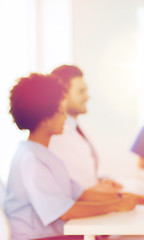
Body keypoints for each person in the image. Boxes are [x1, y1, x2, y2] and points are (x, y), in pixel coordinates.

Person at [4, 73, 143, 240]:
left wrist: (123, 197)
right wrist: (117, 205)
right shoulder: (31, 159)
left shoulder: (44, 155)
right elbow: (63, 212)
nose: (64, 118)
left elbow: (79, 193)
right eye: (60, 112)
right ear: (45, 118)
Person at [49, 65, 121, 193]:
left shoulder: (76, 129)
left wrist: (99, 180)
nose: (87, 97)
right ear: (62, 95)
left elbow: (78, 174)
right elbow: (64, 188)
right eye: (81, 91)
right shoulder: (54, 136)